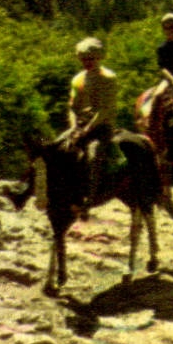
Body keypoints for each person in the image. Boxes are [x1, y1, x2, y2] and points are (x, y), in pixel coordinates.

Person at [66, 36, 119, 215]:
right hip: (80, 125)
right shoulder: (78, 79)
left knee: (94, 154)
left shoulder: (108, 78)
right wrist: (74, 127)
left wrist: (88, 129)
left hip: (101, 126)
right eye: (84, 59)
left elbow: (105, 109)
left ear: (98, 58)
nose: (87, 62)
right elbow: (72, 107)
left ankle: (90, 198)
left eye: (91, 59)